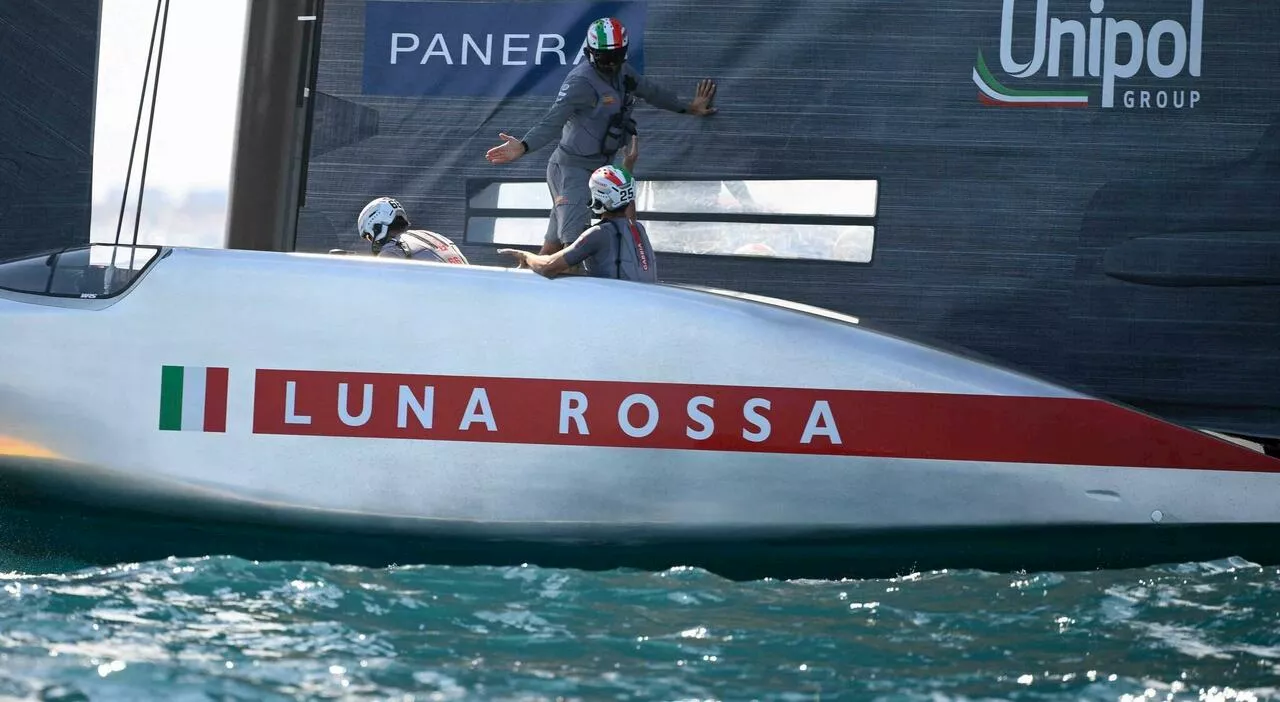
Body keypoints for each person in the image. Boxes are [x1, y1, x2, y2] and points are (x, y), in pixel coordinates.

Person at [484, 16, 717, 256]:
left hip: (602, 169)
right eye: (604, 58)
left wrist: (689, 108)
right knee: (574, 251)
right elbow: (553, 120)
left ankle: (524, 290)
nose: (611, 64)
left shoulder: (622, 71)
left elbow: (651, 91)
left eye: (616, 57)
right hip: (571, 170)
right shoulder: (580, 82)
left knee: (552, 248)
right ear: (590, 53)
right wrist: (523, 146)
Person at [496, 164, 656, 283]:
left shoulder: (599, 233)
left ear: (598, 197)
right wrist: (629, 162)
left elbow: (548, 267)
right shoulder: (637, 229)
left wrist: (526, 256)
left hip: (612, 310)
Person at [355, 197, 469, 264]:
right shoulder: (431, 235)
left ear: (376, 227)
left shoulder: (392, 252)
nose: (371, 241)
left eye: (369, 236)